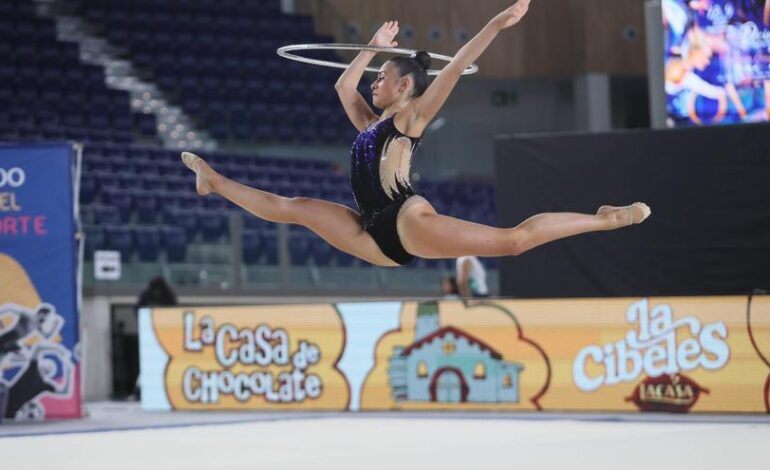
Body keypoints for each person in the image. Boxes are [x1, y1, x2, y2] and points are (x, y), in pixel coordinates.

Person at [181, 0, 650, 268]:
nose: (373, 84)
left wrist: (494, 24)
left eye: (381, 78)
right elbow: (343, 84)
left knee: (514, 241)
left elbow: (459, 66)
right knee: (295, 209)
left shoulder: (411, 120)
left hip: (406, 220)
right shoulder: (371, 124)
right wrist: (372, 49)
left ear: (404, 86)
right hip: (369, 229)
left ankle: (606, 219)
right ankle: (212, 180)